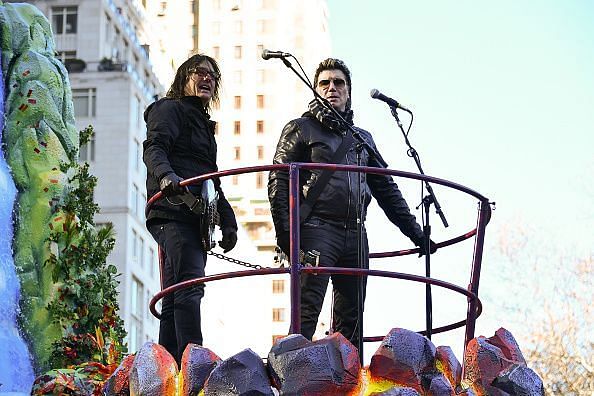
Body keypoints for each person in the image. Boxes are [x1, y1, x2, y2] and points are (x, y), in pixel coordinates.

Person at [268, 58, 436, 350]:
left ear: (348, 92)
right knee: (304, 318)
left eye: (339, 83)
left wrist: (416, 233)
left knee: (352, 324)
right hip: (316, 230)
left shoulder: (362, 138)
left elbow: (386, 189)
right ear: (316, 89)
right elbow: (278, 181)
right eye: (325, 83)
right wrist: (287, 235)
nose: (332, 87)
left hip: (356, 235)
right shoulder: (301, 128)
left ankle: (345, 387)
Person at [143, 54, 238, 363]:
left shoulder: (203, 128)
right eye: (199, 72)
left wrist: (229, 220)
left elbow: (211, 178)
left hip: (193, 217)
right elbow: (155, 148)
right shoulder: (170, 109)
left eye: (213, 74)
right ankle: (194, 361)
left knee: (174, 296)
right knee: (189, 286)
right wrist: (166, 176)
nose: (207, 78)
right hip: (172, 211)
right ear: (184, 78)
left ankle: (169, 367)